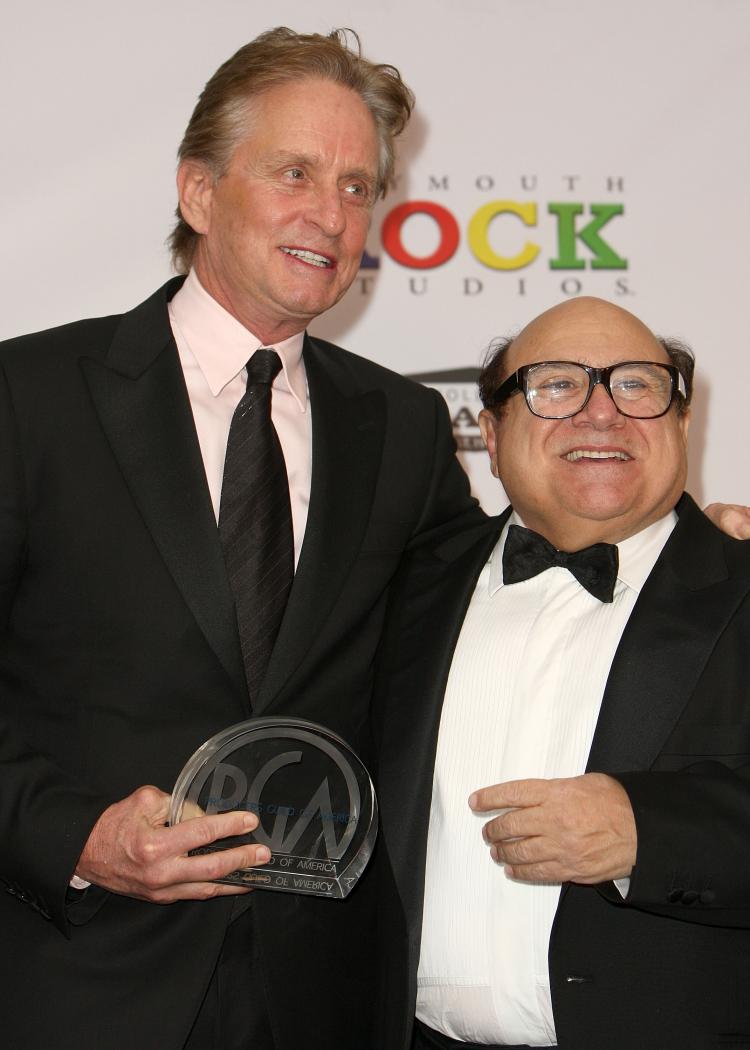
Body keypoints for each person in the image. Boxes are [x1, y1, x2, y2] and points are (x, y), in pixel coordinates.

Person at [0, 27, 480, 1050]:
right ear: (199, 193)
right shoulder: (26, 397)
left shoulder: (402, 427)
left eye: (359, 187)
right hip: (74, 977)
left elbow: (478, 621)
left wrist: (670, 545)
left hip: (323, 999)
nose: (332, 214)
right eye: (295, 172)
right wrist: (73, 835)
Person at [373, 296, 750, 1050]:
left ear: (681, 422)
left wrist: (649, 834)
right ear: (491, 429)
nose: (602, 413)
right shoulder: (396, 589)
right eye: (556, 385)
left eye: (637, 384)